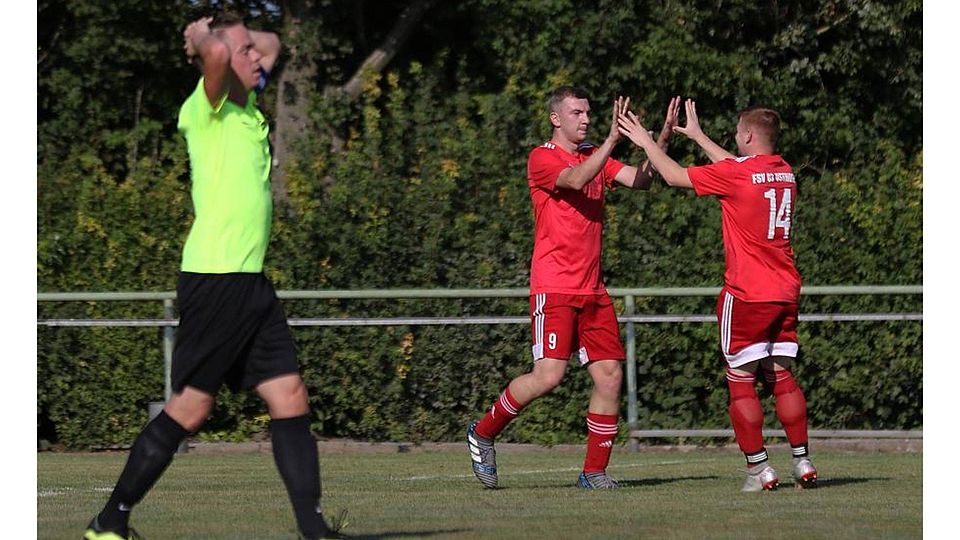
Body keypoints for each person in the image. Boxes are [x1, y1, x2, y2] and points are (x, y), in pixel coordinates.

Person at [84, 14, 340, 539]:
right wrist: (202, 41)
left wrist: (234, 34)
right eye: (241, 51)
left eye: (250, 51)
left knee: (289, 394)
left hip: (250, 282)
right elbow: (222, 58)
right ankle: (110, 522)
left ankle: (314, 532)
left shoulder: (246, 110)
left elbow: (269, 42)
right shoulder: (210, 105)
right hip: (216, 279)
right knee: (192, 407)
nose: (255, 57)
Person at [467, 87, 681, 490]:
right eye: (576, 112)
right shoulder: (542, 157)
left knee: (610, 376)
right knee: (548, 377)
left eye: (588, 112)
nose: (585, 118)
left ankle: (593, 472)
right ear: (556, 118)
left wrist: (661, 138)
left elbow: (641, 181)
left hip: (593, 290)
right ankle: (483, 432)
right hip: (555, 287)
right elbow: (577, 178)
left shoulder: (594, 154)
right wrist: (612, 143)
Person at [616, 99, 818, 492]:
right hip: (786, 290)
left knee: (740, 378)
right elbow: (738, 168)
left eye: (738, 134)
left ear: (746, 136)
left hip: (747, 292)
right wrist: (699, 137)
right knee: (781, 374)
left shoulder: (739, 175)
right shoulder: (784, 172)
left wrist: (645, 141)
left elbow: (674, 176)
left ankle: (759, 470)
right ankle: (802, 461)